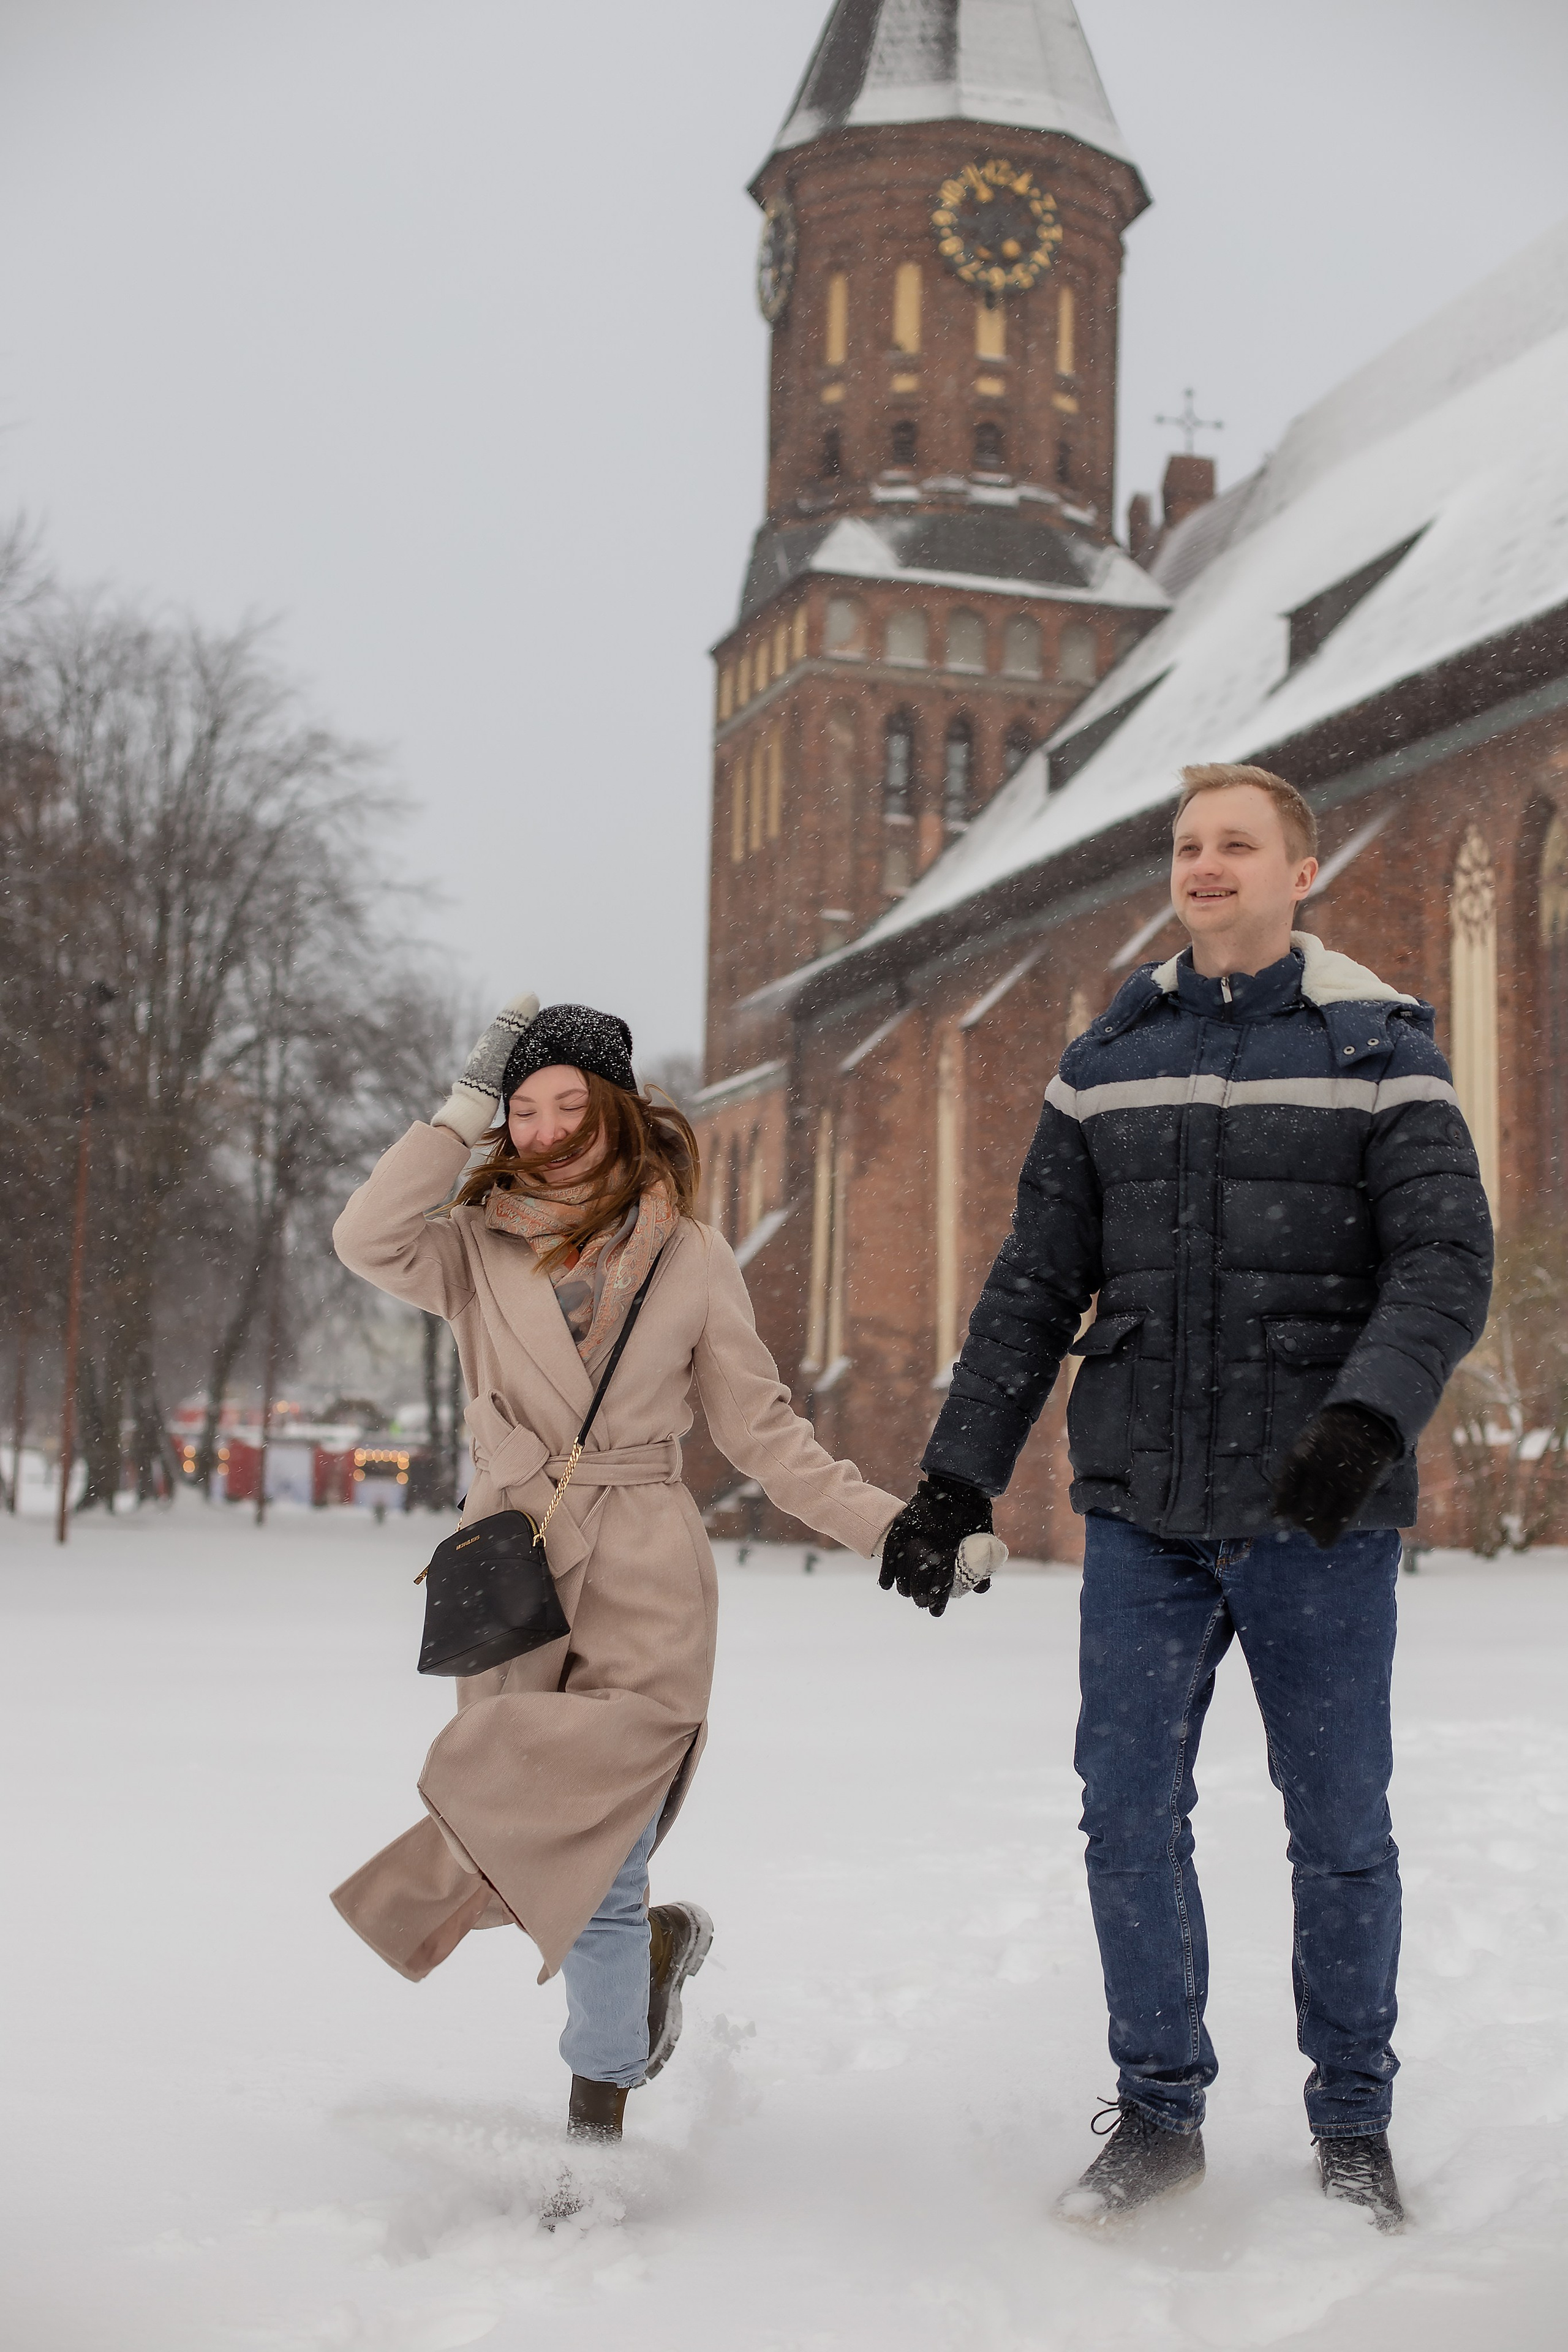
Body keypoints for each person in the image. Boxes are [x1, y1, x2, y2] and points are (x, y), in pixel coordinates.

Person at [879, 764, 1493, 2233]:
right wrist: (954, 1474)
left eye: (1234, 845)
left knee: (1337, 1824)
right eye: (1186, 846)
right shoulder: (1106, 1058)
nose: (1203, 866)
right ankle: (1159, 2110)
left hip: (1314, 1514)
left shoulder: (1378, 1048)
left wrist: (1362, 1419)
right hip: (1143, 1510)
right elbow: (1033, 1286)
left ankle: (1352, 2121)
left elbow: (1442, 1263)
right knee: (1125, 1814)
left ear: (1299, 874)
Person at [331, 997, 901, 2163]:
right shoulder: (471, 1245)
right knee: (528, 1820)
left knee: (606, 1857)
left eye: (567, 1104)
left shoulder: (690, 1257)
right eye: (522, 1109)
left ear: (620, 1111)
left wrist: (891, 1531)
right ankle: (639, 1979)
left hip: (644, 1565)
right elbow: (365, 1235)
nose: (543, 1130)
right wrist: (461, 1106)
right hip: (512, 1566)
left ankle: (594, 2133)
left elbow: (764, 1433)